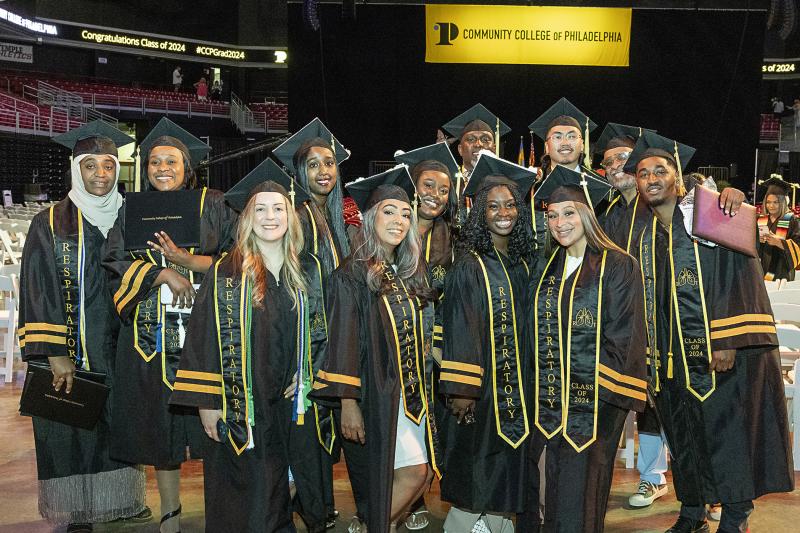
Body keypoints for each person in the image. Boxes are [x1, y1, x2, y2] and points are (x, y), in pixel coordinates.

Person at [630, 132, 794, 533]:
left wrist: (726, 339)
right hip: (670, 360)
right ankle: (691, 512)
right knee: (684, 439)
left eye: (660, 170)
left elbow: (742, 275)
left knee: (727, 437)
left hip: (716, 355)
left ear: (677, 177)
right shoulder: (646, 235)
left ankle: (735, 517)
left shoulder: (710, 216)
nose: (651, 178)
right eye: (642, 172)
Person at [170, 164, 328, 532]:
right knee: (247, 491)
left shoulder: (309, 270)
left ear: (291, 216)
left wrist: (309, 371)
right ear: (247, 218)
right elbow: (201, 338)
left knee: (282, 487)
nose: (270, 217)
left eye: (278, 209)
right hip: (241, 399)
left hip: (289, 404)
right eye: (260, 209)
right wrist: (208, 404)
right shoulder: (226, 272)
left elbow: (323, 330)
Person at [103, 117, 237, 533]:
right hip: (150, 339)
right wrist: (161, 275)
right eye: (154, 161)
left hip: (206, 334)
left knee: (216, 422)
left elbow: (239, 257)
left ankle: (226, 508)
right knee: (160, 431)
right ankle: (171, 512)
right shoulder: (132, 209)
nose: (162, 168)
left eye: (172, 161)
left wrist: (188, 264)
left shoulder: (213, 203)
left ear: (187, 167)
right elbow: (114, 261)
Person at [19, 121, 149, 530]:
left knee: (120, 422)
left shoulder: (132, 218)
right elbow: (37, 289)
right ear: (76, 169)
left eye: (107, 166)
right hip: (71, 346)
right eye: (89, 166)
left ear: (117, 170)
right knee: (70, 425)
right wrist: (55, 353)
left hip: (121, 345)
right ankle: (77, 511)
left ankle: (119, 501)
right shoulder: (50, 222)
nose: (99, 175)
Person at [311, 167, 438, 533]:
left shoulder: (408, 270)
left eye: (405, 214)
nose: (398, 220)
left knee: (412, 474)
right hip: (376, 394)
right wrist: (348, 403)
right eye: (389, 211)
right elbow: (342, 340)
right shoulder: (351, 274)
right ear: (370, 218)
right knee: (413, 473)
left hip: (409, 394)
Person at [521, 165, 647, 532]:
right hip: (546, 402)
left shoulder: (619, 265)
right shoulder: (546, 268)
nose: (560, 223)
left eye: (569, 213)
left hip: (594, 403)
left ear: (588, 214)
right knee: (545, 486)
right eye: (553, 215)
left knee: (582, 488)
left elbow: (623, 338)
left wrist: (587, 392)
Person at [438, 153, 536, 533]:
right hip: (482, 389)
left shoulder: (522, 260)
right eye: (492, 206)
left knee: (506, 463)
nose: (503, 212)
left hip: (518, 385)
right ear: (479, 212)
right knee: (480, 460)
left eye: (511, 204)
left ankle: (497, 524)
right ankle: (465, 526)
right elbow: (460, 327)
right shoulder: (470, 264)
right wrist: (462, 390)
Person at [274, 117, 353, 529]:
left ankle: (314, 506)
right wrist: (299, 359)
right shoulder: (298, 216)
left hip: (327, 344)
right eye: (313, 165)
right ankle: (292, 510)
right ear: (298, 173)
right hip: (303, 347)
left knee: (318, 435)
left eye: (329, 163)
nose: (324, 171)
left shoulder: (333, 218)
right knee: (302, 439)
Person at [394, 141, 460, 530]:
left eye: (443, 189)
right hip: (397, 355)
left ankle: (418, 500)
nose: (434, 195)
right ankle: (396, 504)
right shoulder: (392, 232)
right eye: (428, 185)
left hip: (437, 356)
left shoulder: (453, 238)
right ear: (412, 186)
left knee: (431, 431)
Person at [441, 104, 511, 224]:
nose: (478, 144)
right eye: (471, 139)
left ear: (494, 149)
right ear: (460, 149)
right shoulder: (448, 183)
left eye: (485, 139)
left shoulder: (508, 184)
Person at [757, 176, 800, 281]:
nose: (771, 206)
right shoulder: (761, 219)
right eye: (768, 202)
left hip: (782, 271)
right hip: (762, 268)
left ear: (783, 202)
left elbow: (798, 247)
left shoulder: (790, 219)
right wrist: (758, 240)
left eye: (775, 202)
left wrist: (779, 242)